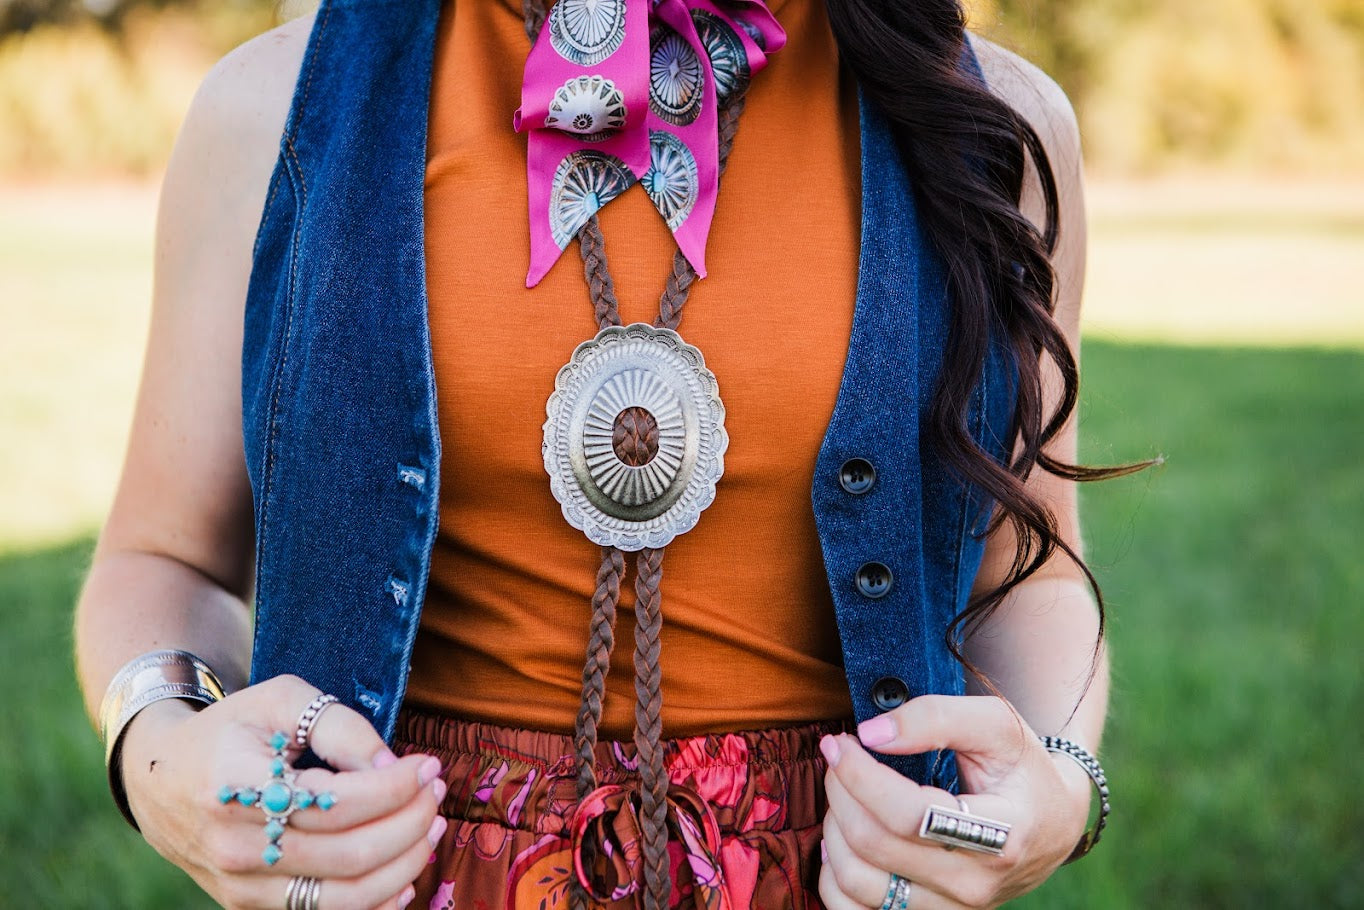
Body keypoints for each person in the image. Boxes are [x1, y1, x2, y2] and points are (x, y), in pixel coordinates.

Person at [75, 0, 1133, 907]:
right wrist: (160, 748)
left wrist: (1060, 781)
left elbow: (1023, 576)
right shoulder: (274, 112)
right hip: (403, 871)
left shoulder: (989, 128)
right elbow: (164, 559)